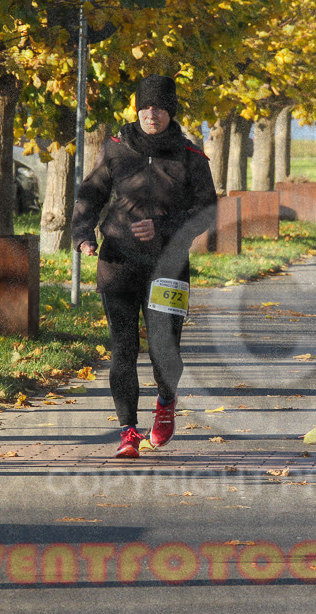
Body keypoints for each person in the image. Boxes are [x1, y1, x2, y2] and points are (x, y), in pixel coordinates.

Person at [71, 74, 217, 458]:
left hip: (168, 266)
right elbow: (90, 194)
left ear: (171, 111)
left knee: (164, 351)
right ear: (137, 110)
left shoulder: (190, 157)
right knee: (122, 349)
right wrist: (83, 235)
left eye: (159, 107)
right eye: (145, 107)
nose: (151, 114)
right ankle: (127, 431)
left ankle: (166, 402)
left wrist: (164, 226)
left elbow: (207, 212)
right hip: (118, 261)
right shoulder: (115, 150)